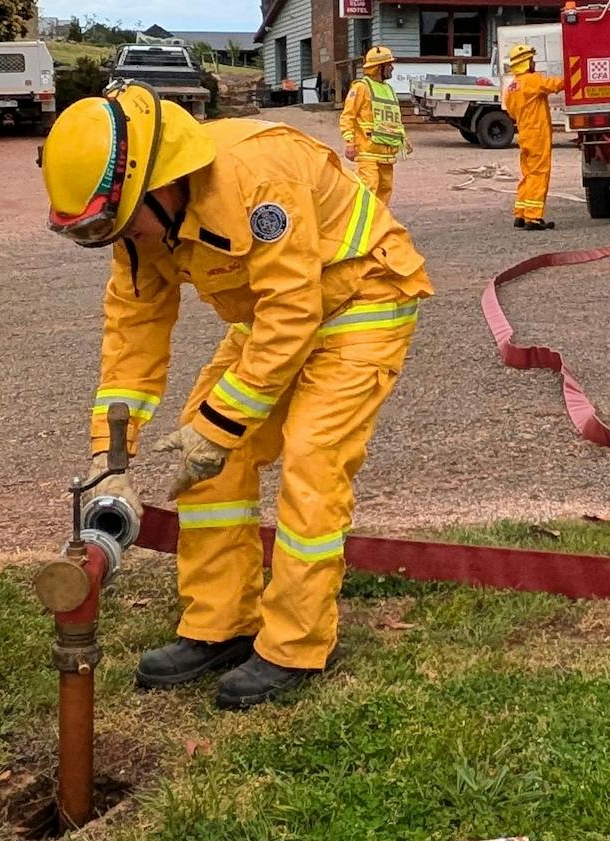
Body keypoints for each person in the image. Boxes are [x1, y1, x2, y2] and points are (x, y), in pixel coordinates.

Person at [41, 86, 433, 709]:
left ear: (159, 184)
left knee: (311, 462)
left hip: (363, 300)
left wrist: (219, 429)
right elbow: (133, 337)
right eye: (91, 232)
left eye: (112, 224)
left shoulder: (257, 178)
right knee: (205, 466)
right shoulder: (139, 226)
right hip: (275, 319)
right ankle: (220, 625)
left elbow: (292, 311)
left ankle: (295, 646)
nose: (116, 239)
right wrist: (109, 457)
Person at [502, 41, 565, 230]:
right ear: (526, 62)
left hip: (525, 135)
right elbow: (554, 85)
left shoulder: (512, 87)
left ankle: (520, 214)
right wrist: (573, 75)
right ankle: (533, 217)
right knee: (539, 174)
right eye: (532, 60)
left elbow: (512, 113)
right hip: (538, 135)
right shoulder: (532, 80)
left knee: (528, 174)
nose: (534, 63)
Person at [339, 44, 407, 204]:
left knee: (384, 194)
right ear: (379, 67)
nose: (392, 68)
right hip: (368, 153)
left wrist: (403, 139)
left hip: (386, 154)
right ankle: (363, 227)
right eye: (389, 64)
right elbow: (347, 116)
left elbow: (393, 119)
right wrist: (349, 142)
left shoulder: (388, 89)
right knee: (367, 192)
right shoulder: (361, 87)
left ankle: (378, 226)